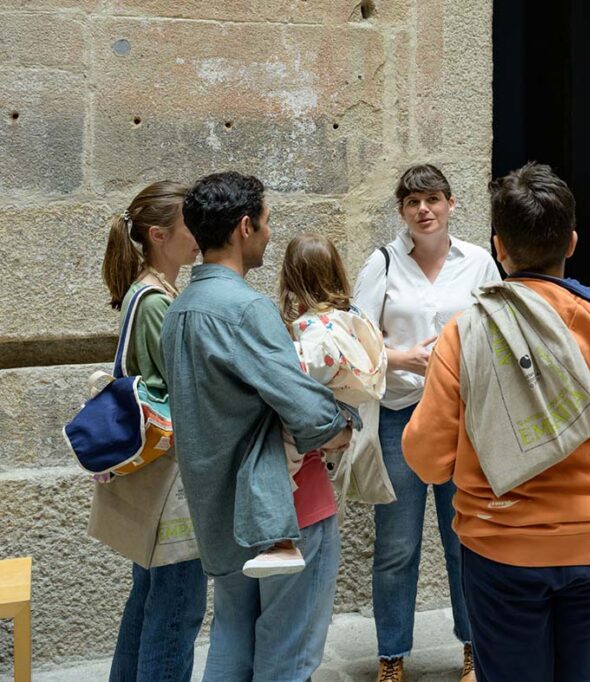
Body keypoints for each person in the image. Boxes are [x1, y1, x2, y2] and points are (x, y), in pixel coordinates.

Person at [403, 162, 590, 682]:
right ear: (571, 242)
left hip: (499, 545)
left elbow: (427, 460)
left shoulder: (465, 333)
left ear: (499, 248)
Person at [161, 171, 353, 680]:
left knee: (231, 641)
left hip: (221, 510)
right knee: (288, 655)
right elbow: (310, 413)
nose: (269, 234)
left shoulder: (179, 310)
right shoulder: (245, 308)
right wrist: (345, 426)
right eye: (266, 222)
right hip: (286, 507)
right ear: (245, 227)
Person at [353, 163, 499, 682]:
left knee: (465, 540)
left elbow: (500, 329)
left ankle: (475, 648)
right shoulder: (382, 264)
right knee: (397, 545)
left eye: (433, 199)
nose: (424, 209)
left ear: (451, 203)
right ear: (401, 210)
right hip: (401, 416)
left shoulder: (479, 263)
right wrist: (402, 358)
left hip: (463, 417)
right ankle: (391, 655)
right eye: (413, 202)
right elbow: (354, 341)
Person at [92, 180, 207, 682]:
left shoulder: (149, 292)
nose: (200, 234)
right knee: (177, 608)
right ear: (159, 235)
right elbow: (183, 389)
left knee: (148, 600)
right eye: (190, 225)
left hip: (156, 475)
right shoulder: (157, 300)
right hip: (172, 481)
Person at [279, 232, 387, 481]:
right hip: (349, 408)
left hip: (329, 413)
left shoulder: (314, 329)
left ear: (290, 278)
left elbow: (298, 379)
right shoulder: (348, 318)